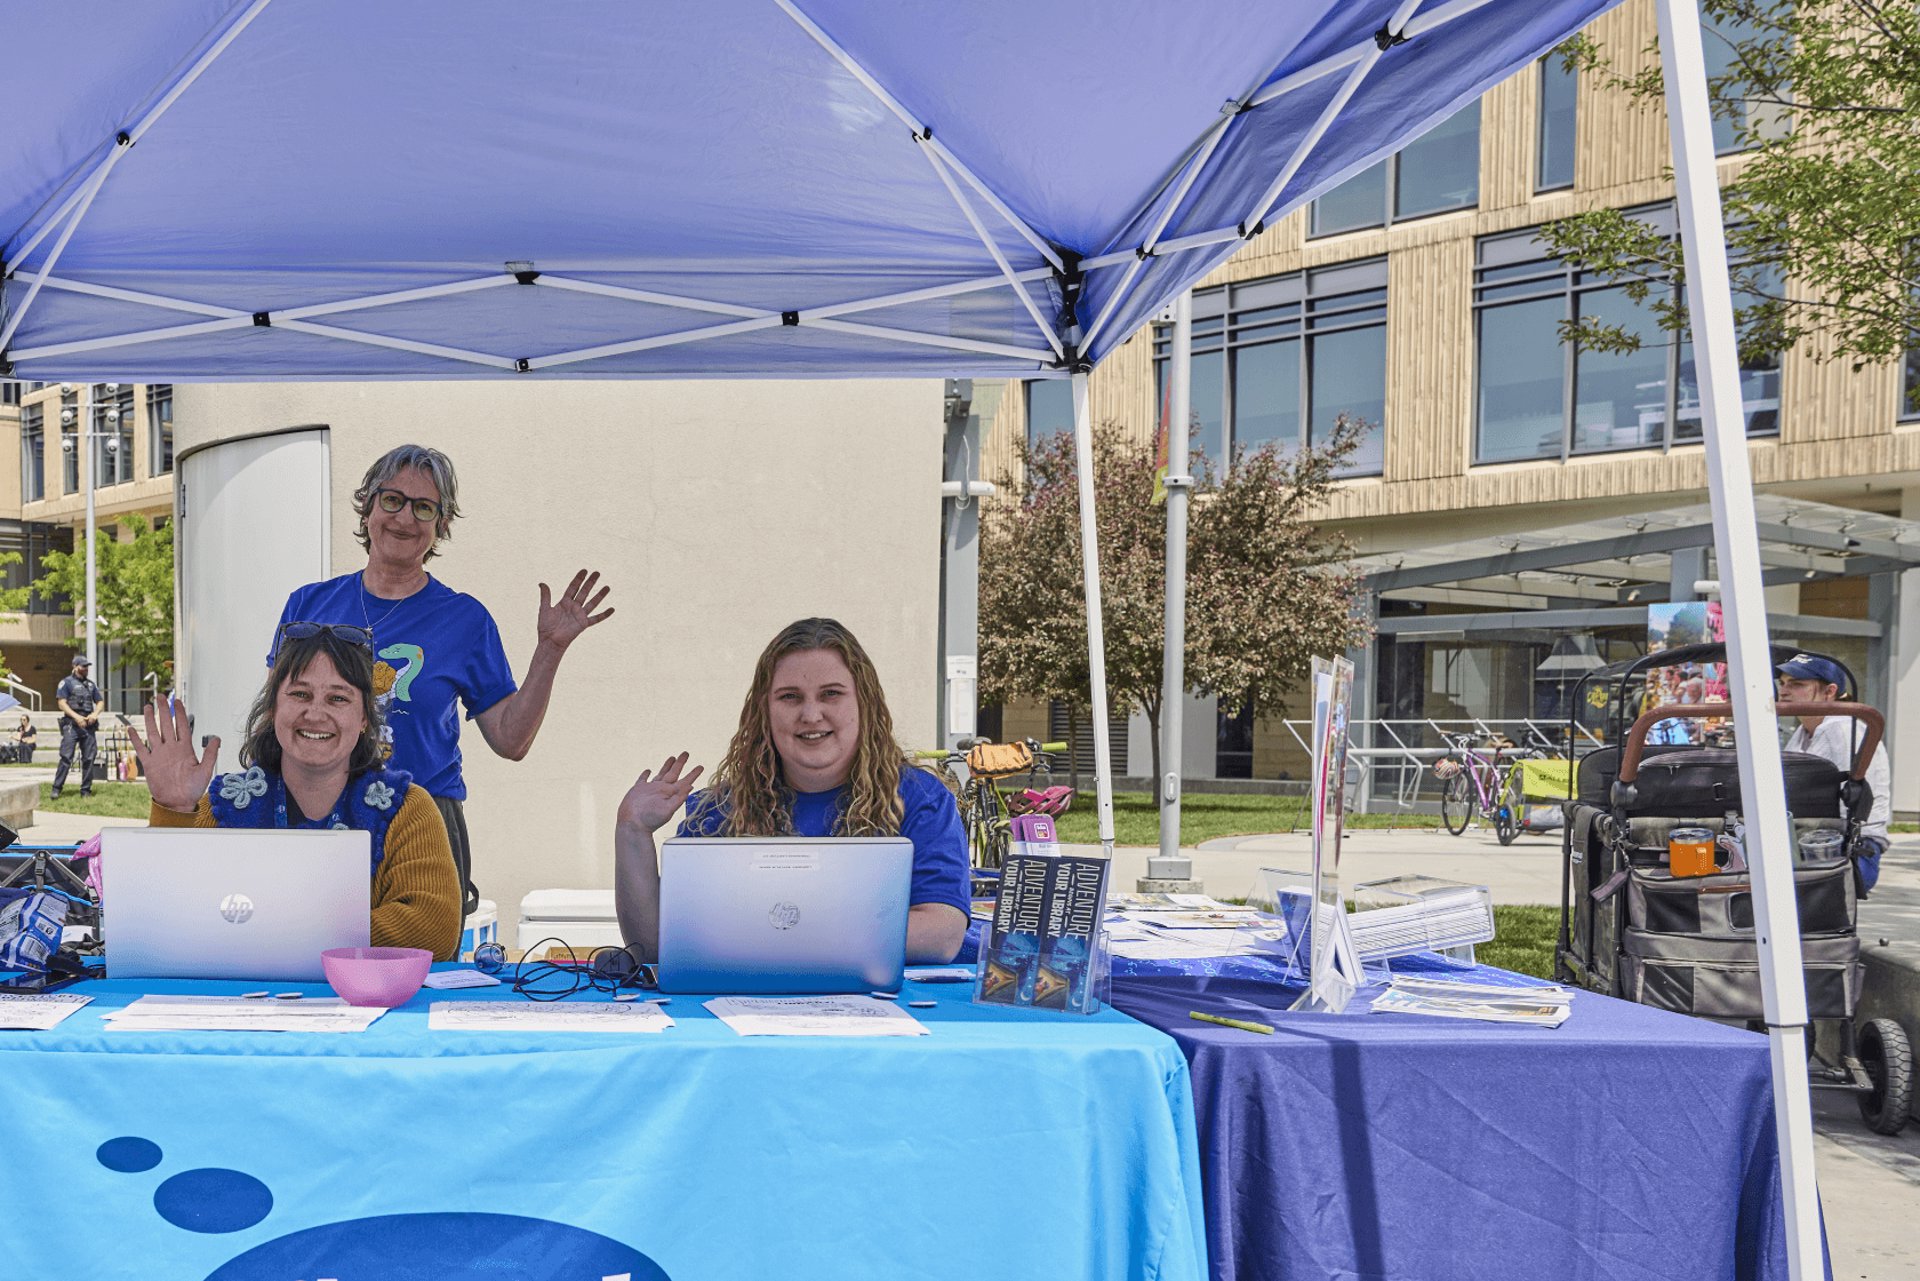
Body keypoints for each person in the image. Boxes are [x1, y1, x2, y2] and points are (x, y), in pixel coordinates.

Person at [272, 444, 613, 917]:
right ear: (368, 506)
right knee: (295, 959)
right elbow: (278, 718)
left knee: (422, 976)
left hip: (423, 824)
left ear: (441, 526)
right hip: (313, 814)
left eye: (424, 507)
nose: (404, 518)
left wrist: (550, 651)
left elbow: (511, 740)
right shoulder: (308, 606)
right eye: (392, 499)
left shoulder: (464, 619)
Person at [614, 618, 971, 966]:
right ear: (763, 712)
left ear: (865, 703)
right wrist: (633, 830)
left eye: (831, 694)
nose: (811, 714)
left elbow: (941, 934)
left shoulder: (919, 799)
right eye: (790, 697)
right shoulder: (719, 810)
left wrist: (783, 933)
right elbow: (654, 946)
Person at [131, 625, 461, 958]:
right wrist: (172, 808)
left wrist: (267, 930)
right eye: (300, 694)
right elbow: (166, 917)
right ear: (273, 708)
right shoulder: (222, 807)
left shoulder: (407, 808)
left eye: (338, 698)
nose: (315, 714)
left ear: (364, 718)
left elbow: (433, 928)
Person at [1776, 653, 1891, 893]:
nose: (1784, 690)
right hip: (1811, 840)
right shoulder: (1803, 733)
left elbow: (1847, 811)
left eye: (1796, 684)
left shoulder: (1842, 730)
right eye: (1782, 683)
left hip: (1850, 850)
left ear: (1829, 692)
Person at [52, 654, 101, 799]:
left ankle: (86, 790)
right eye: (83, 666)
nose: (86, 669)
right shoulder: (66, 683)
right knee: (66, 757)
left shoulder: (91, 685)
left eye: (87, 666)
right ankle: (56, 788)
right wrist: (76, 717)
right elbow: (61, 703)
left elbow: (100, 702)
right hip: (71, 725)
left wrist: (95, 714)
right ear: (75, 666)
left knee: (89, 758)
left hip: (88, 725)